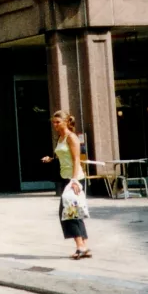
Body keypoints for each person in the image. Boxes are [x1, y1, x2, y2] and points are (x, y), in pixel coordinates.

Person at [42, 110, 92, 259]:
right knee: (74, 212)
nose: (55, 125)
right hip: (66, 178)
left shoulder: (72, 138)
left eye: (58, 122)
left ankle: (80, 246)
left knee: (68, 213)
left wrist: (75, 181)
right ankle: (84, 247)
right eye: (54, 123)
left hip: (74, 179)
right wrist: (51, 159)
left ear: (66, 122)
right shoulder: (61, 137)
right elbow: (63, 156)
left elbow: (77, 160)